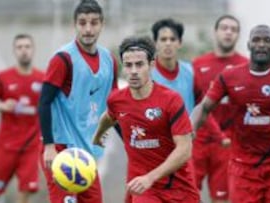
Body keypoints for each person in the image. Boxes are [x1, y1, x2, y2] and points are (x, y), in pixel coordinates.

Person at [192, 25, 270, 203]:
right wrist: (190, 129)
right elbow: (203, 108)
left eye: (267, 40)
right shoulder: (229, 77)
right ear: (249, 45)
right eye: (256, 40)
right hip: (242, 167)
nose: (261, 45)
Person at [93, 36, 200, 203]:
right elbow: (108, 117)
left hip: (179, 187)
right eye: (128, 65)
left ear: (151, 65)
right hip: (144, 189)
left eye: (139, 64)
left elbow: (184, 150)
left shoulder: (171, 100)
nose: (133, 70)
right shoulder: (117, 100)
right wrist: (98, 136)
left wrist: (151, 177)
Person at [38, 0, 118, 202]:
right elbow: (44, 102)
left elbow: (115, 108)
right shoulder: (63, 59)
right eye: (82, 23)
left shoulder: (109, 60)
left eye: (94, 23)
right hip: (60, 148)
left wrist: (131, 143)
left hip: (85, 150)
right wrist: (49, 147)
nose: (88, 29)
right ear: (75, 25)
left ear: (102, 24)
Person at [191, 15, 248, 203]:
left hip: (228, 141)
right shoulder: (198, 64)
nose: (228, 32)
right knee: (187, 194)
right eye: (224, 28)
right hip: (198, 139)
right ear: (216, 32)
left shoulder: (245, 65)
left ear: (238, 35)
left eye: (233, 29)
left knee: (222, 197)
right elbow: (192, 101)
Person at [0, 34, 44, 203]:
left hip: (31, 147)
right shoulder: (3, 77)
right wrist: (2, 106)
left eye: (27, 47)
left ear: (33, 50)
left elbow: (50, 109)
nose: (24, 51)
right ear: (14, 51)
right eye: (20, 47)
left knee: (25, 194)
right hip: (6, 147)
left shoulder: (42, 79)